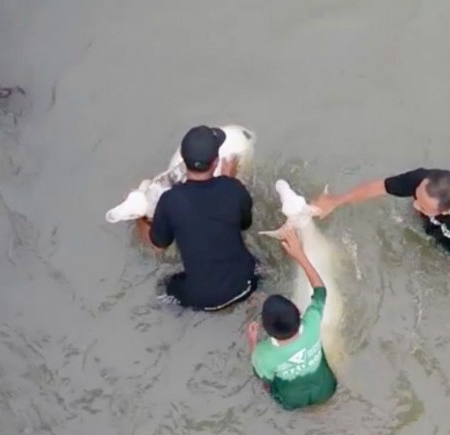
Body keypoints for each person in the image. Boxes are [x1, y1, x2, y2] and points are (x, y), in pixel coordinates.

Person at [135, 125, 258, 310]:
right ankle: (255, 298)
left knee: (163, 286)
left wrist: (138, 215)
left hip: (202, 299)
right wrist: (229, 181)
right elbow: (244, 225)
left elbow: (156, 246)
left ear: (183, 161)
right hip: (247, 283)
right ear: (216, 162)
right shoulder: (234, 190)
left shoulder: (170, 200)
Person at [311, 168, 450, 279]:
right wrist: (336, 201)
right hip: (435, 219)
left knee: (441, 253)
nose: (415, 204)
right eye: (416, 197)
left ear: (445, 210)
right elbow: (379, 187)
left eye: (423, 205)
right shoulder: (421, 180)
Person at [247, 229, 337, 410]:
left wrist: (253, 342)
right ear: (298, 311)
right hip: (327, 387)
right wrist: (299, 255)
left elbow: (262, 375)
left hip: (291, 400)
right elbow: (320, 290)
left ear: (266, 329)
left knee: (265, 384)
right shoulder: (311, 323)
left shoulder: (263, 353)